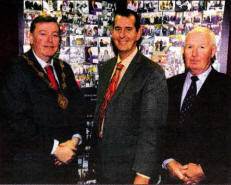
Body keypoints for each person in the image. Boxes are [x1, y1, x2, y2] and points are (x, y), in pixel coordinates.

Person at [0, 15, 85, 184]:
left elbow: (78, 109)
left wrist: (74, 142)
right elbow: (17, 121)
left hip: (67, 166)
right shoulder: (16, 69)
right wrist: (55, 149)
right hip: (32, 168)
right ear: (31, 38)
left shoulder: (64, 69)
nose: (50, 40)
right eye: (43, 34)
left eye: (55, 35)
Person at [94, 9, 168, 184]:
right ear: (111, 33)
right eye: (118, 29)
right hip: (103, 168)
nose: (122, 35)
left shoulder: (152, 73)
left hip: (131, 173)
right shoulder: (106, 68)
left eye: (128, 29)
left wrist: (142, 175)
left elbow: (152, 130)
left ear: (138, 33)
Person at [161, 27, 231, 184]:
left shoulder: (226, 87)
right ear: (183, 50)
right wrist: (168, 162)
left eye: (201, 47)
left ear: (213, 51)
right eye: (189, 47)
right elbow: (159, 130)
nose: (194, 54)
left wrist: (206, 170)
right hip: (171, 178)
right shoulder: (169, 86)